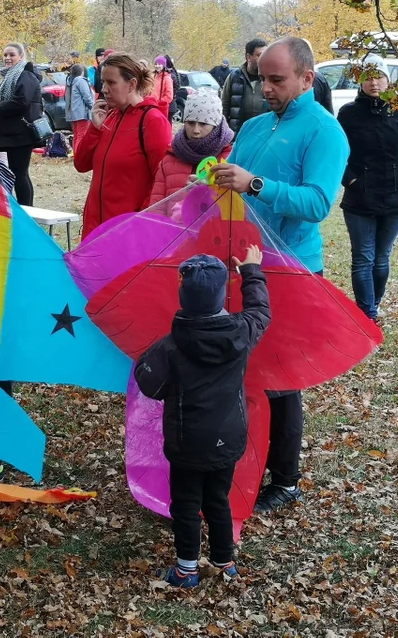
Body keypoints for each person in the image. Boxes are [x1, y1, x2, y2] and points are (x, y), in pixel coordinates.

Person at [210, 36, 349, 513]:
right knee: (241, 370)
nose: (266, 87)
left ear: (307, 79)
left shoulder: (325, 131)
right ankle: (242, 459)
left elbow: (316, 203)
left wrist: (256, 184)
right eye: (262, 78)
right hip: (242, 263)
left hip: (291, 270)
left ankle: (285, 478)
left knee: (281, 379)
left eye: (277, 79)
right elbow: (232, 177)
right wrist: (215, 179)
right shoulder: (252, 126)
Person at [134, 248, 271, 587]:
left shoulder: (170, 346)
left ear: (183, 298)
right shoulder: (242, 331)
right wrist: (251, 271)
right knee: (218, 499)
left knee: (186, 504)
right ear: (222, 293)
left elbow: (149, 381)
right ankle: (225, 563)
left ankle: (186, 570)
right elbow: (260, 310)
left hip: (187, 443)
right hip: (228, 437)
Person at [337, 54, 398, 322]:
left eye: (379, 76)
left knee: (380, 259)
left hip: (395, 197)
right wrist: (351, 179)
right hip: (359, 199)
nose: (374, 83)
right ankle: (366, 316)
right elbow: (336, 153)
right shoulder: (348, 114)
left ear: (388, 80)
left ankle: (373, 306)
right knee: (362, 258)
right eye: (367, 77)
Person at [73, 52, 173, 239]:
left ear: (132, 84)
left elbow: (162, 183)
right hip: (95, 230)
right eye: (103, 82)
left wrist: (138, 222)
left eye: (111, 83)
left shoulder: (152, 121)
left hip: (127, 234)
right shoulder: (109, 117)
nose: (104, 89)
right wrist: (94, 129)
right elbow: (81, 164)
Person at [149, 91, 234, 205]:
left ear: (216, 125)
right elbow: (156, 207)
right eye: (191, 123)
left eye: (203, 124)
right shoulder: (170, 159)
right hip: (171, 223)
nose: (196, 130)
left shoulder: (230, 159)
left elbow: (235, 208)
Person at [0, 42, 43, 206]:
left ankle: (27, 210)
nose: (7, 58)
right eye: (5, 55)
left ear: (21, 56)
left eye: (12, 55)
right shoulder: (11, 75)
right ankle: (23, 209)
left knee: (20, 173)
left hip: (22, 133)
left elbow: (21, 102)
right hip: (14, 132)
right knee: (17, 172)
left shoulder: (25, 74)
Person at [221, 38, 268, 134]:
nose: (264, 58)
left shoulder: (270, 78)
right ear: (249, 57)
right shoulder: (234, 77)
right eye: (259, 55)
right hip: (238, 133)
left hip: (264, 133)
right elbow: (224, 105)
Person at [64, 63, 94, 152]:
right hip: (81, 112)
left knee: (77, 134)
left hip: (72, 112)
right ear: (81, 71)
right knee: (82, 134)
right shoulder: (80, 81)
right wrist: (93, 107)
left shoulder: (69, 81)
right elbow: (87, 96)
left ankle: (76, 153)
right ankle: (79, 154)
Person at [153, 56, 175, 120]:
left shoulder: (167, 78)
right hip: (150, 106)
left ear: (164, 65)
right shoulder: (153, 76)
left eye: (159, 64)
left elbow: (169, 96)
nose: (157, 66)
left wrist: (158, 103)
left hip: (160, 107)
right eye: (156, 64)